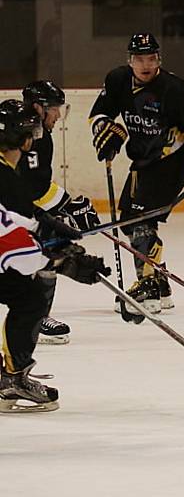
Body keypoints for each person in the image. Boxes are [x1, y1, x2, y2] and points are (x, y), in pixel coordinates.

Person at [88, 32, 184, 313]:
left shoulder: (173, 88)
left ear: (159, 59)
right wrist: (104, 130)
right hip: (143, 161)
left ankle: (146, 287)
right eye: (139, 59)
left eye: (151, 58)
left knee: (142, 220)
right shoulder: (118, 80)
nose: (145, 65)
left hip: (172, 161)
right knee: (128, 222)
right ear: (129, 60)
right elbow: (99, 113)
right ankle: (160, 283)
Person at [0, 99, 110, 413]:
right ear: (24, 139)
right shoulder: (6, 177)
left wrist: (42, 225)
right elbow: (13, 249)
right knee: (32, 291)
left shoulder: (6, 173)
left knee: (27, 289)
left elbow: (11, 219)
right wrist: (61, 260)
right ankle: (11, 381)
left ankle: (10, 376)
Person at [18, 80, 101, 345]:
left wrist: (66, 206)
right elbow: (32, 186)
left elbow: (35, 186)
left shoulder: (40, 133)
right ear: (38, 108)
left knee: (49, 245)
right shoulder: (24, 133)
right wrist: (68, 205)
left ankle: (37, 317)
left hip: (12, 208)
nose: (57, 115)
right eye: (54, 109)